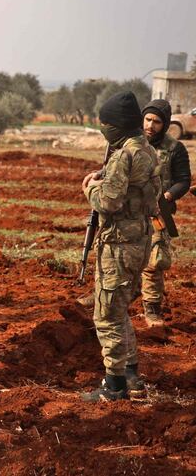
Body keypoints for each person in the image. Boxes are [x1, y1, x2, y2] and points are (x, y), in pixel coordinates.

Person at [80, 91, 160, 402]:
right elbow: (139, 192)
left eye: (105, 123)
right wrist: (106, 176)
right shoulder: (147, 150)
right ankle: (131, 374)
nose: (102, 128)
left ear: (117, 126)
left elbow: (109, 201)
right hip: (139, 240)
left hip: (119, 244)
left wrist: (90, 189)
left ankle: (113, 388)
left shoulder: (124, 155)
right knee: (120, 309)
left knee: (107, 315)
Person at [139, 99, 191, 327]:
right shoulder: (131, 144)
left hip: (158, 215)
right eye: (148, 119)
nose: (151, 125)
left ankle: (152, 311)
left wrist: (168, 196)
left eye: (157, 121)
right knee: (119, 258)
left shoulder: (174, 148)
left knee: (154, 262)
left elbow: (183, 181)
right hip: (129, 214)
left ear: (165, 124)